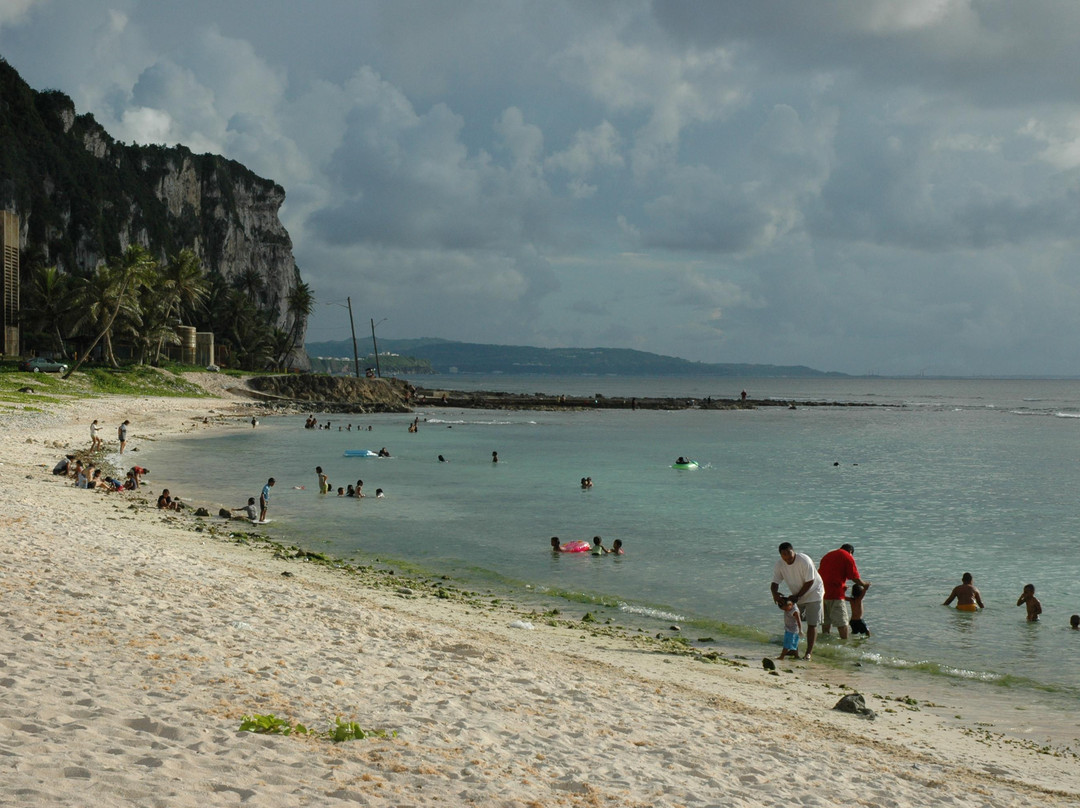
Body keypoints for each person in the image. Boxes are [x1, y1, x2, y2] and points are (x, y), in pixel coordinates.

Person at [770, 542, 825, 660]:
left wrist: (797, 596)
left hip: (814, 592)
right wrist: (775, 594)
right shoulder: (779, 564)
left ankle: (808, 653)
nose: (787, 557)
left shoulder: (804, 560)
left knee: (812, 623)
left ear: (793, 551)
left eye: (789, 554)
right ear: (781, 555)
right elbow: (775, 583)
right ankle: (794, 650)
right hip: (797, 594)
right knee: (793, 622)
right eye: (784, 555)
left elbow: (810, 581)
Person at [817, 544, 871, 639]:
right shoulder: (847, 556)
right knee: (842, 622)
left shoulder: (828, 555)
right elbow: (854, 577)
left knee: (826, 621)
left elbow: (824, 574)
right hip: (836, 594)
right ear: (850, 552)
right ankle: (844, 643)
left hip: (821, 593)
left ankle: (825, 641)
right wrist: (864, 584)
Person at [777, 596, 802, 661]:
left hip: (792, 630)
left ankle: (782, 656)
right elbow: (782, 600)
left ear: (790, 605)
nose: (785, 611)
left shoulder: (794, 611)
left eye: (785, 609)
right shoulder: (788, 605)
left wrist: (800, 630)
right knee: (794, 643)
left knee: (787, 644)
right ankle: (796, 655)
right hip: (789, 628)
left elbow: (799, 621)